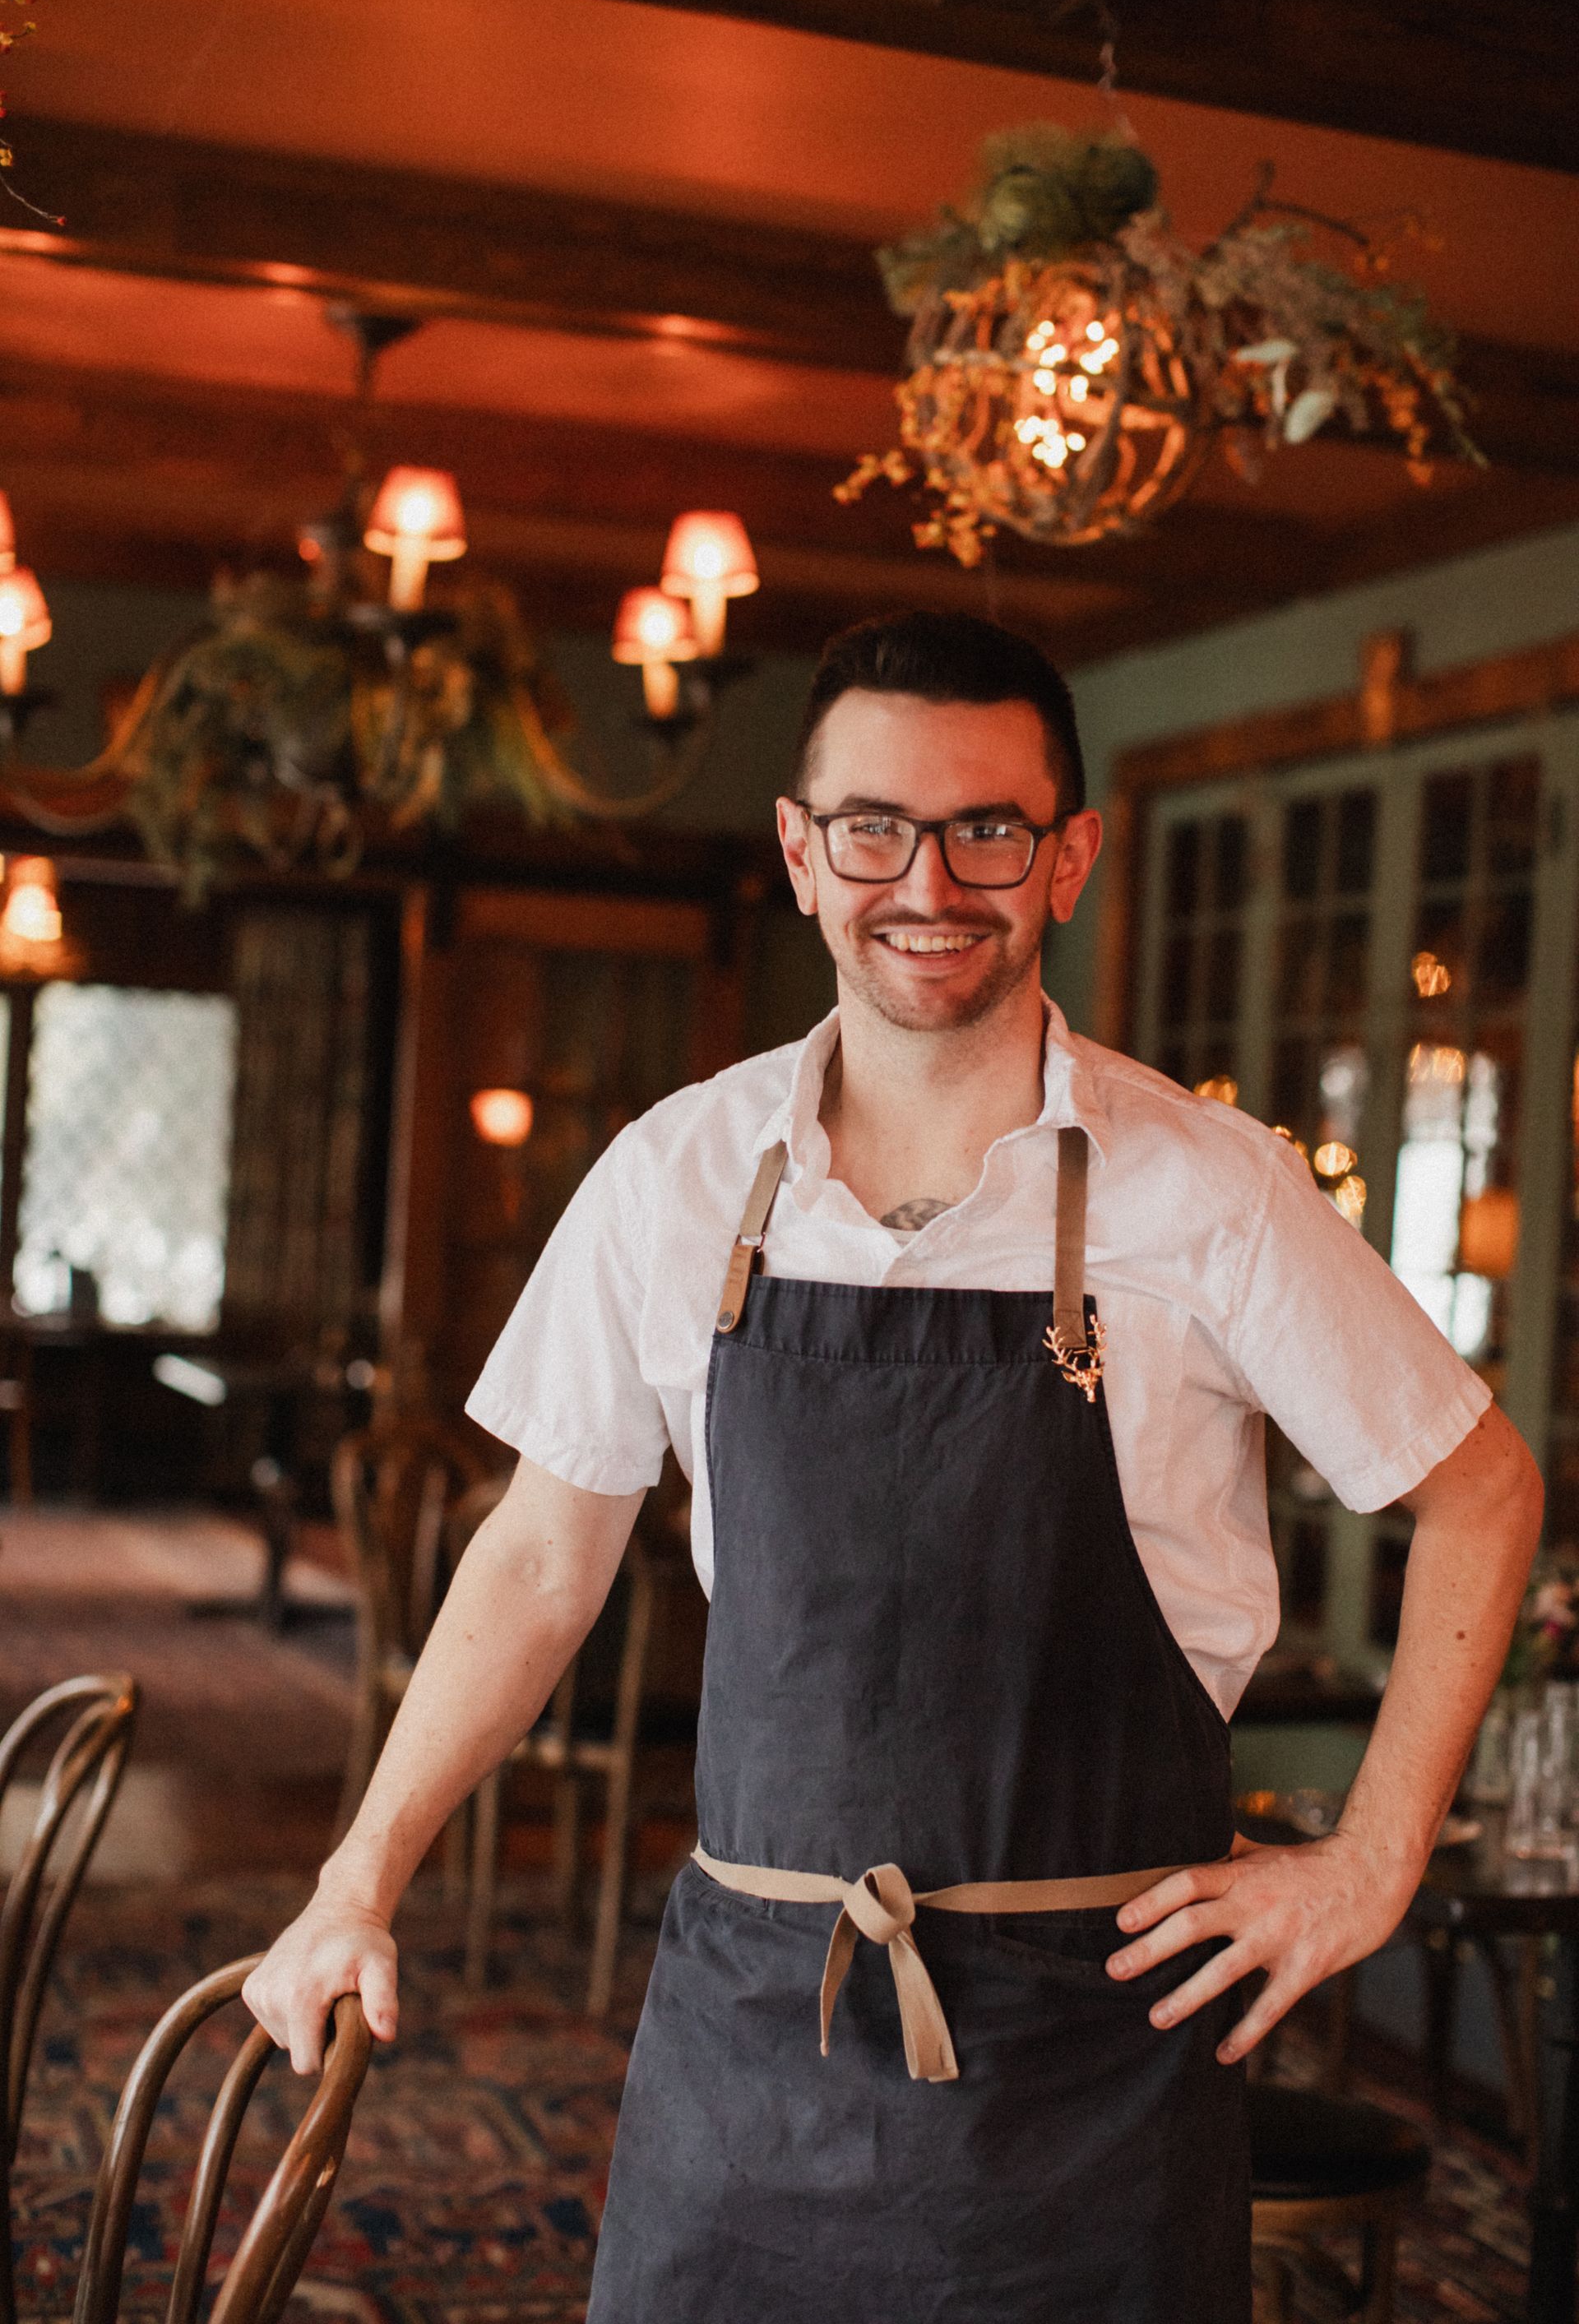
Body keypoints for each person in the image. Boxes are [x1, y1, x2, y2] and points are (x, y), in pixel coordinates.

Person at [245, 611, 1542, 2322]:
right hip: (753, 2041)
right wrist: (355, 1883)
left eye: (988, 828)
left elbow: (1480, 1489)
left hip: (1098, 2066)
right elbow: (543, 1561)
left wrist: (1372, 1860)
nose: (928, 882)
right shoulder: (673, 1177)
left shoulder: (1210, 1193)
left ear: (1068, 856)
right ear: (801, 852)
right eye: (874, 827)